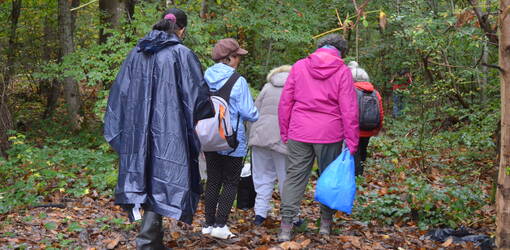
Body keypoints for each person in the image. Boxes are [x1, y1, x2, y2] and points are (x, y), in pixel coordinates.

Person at [104, 8, 214, 249]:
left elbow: (120, 94)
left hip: (138, 131)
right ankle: (147, 241)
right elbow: (198, 96)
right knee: (160, 179)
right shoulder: (181, 54)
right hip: (169, 132)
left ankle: (150, 238)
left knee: (149, 178)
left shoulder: (136, 53)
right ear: (182, 29)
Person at [278, 33, 359, 241]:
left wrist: (285, 130)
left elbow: (286, 101)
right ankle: (324, 226)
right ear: (341, 52)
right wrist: (352, 141)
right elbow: (349, 109)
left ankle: (286, 228)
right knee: (328, 177)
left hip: (299, 130)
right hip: (329, 132)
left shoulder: (299, 66)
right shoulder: (342, 71)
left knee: (294, 178)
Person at [201, 38, 259, 239]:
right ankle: (220, 225)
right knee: (231, 181)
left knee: (213, 180)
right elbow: (249, 113)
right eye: (238, 57)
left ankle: (208, 223)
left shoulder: (204, 76)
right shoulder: (238, 81)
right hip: (232, 141)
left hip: (208, 137)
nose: (239, 61)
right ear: (229, 58)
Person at [248, 65, 291, 226]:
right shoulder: (295, 88)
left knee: (262, 177)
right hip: (283, 139)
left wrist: (251, 136)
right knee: (286, 179)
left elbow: (254, 113)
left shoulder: (266, 87)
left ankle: (260, 214)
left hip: (261, 137)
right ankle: (291, 215)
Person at [348, 62, 384, 176]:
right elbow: (381, 113)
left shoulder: (350, 91)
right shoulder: (375, 93)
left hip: (354, 130)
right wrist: (377, 129)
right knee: (363, 149)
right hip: (369, 128)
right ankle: (360, 173)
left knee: (354, 152)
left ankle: (356, 175)